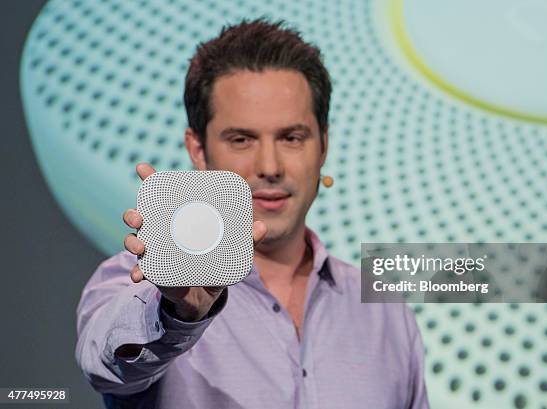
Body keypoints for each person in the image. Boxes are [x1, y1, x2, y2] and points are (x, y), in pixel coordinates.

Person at [75, 19, 429, 409]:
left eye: (291, 138)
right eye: (241, 139)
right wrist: (177, 314)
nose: (270, 166)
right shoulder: (140, 283)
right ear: (197, 149)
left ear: (323, 145)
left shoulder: (385, 312)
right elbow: (104, 365)